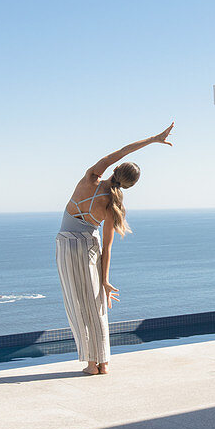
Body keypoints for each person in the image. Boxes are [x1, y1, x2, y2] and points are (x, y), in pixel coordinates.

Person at [55, 123, 174, 375]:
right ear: (129, 186)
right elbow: (106, 248)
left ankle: (90, 364)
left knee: (77, 304)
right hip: (90, 247)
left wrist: (153, 139)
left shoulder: (90, 178)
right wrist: (105, 282)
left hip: (67, 244)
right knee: (96, 304)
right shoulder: (112, 205)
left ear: (116, 169)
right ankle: (103, 363)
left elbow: (120, 151)